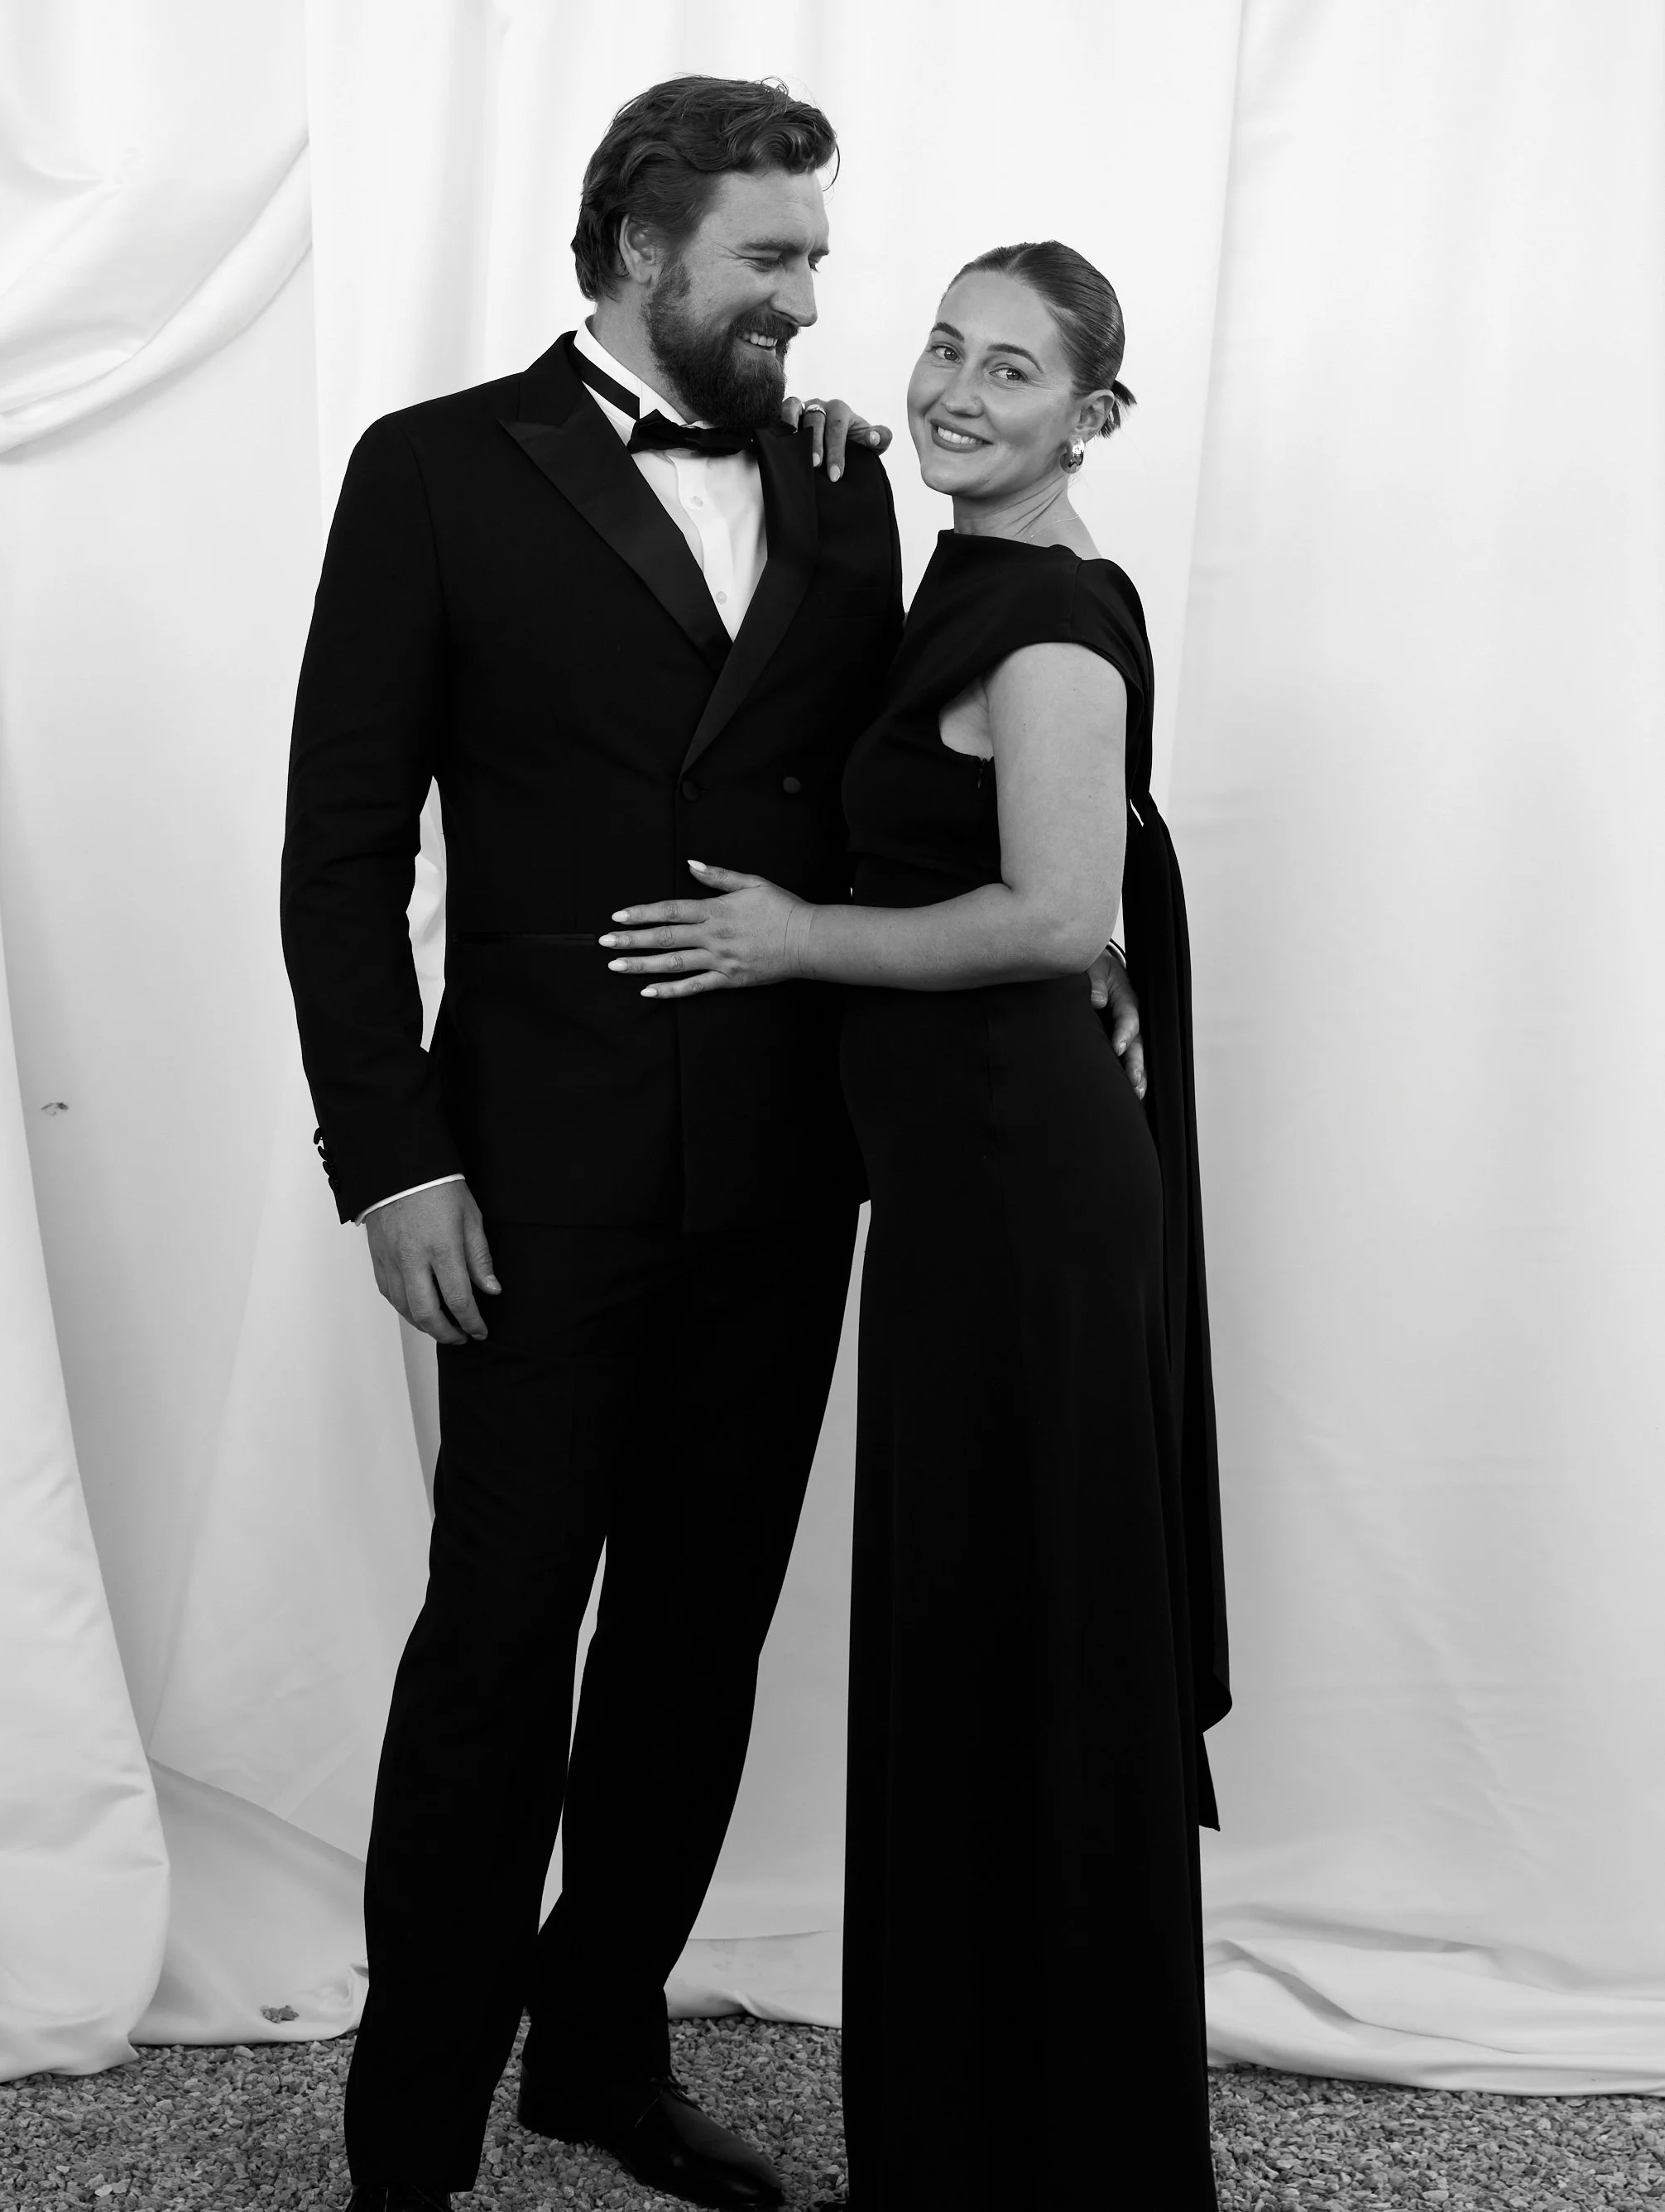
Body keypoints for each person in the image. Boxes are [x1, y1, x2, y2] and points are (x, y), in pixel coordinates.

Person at [283, 76, 1152, 2212]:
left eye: (816, 265)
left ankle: (597, 2055)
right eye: (772, 262)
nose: (808, 304)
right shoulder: (427, 475)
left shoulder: (845, 487)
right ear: (643, 251)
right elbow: (336, 848)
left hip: (784, 1186)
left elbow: (949, 778)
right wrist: (391, 1160)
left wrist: (1091, 953)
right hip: (532, 1187)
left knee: (693, 1650)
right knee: (492, 1653)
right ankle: (404, 2140)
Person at [603, 242, 1228, 2207]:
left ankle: (1060, 2151)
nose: (961, 387)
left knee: (1023, 1658)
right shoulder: (960, 574)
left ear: (1091, 417)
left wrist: (796, 938)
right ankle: (977, 2138)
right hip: (964, 1196)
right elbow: (1074, 890)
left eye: (1014, 369)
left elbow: (1050, 910)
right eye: (946, 346)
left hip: (1023, 1211)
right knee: (975, 1656)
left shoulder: (1043, 623)